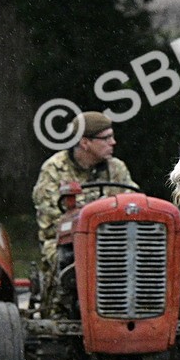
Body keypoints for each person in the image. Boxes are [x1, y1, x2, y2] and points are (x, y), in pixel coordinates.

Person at [32, 111, 136, 312]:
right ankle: (60, 312)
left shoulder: (117, 169)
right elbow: (53, 222)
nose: (113, 142)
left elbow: (133, 202)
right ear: (85, 142)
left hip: (115, 238)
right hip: (66, 243)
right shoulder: (54, 170)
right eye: (106, 138)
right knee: (65, 260)